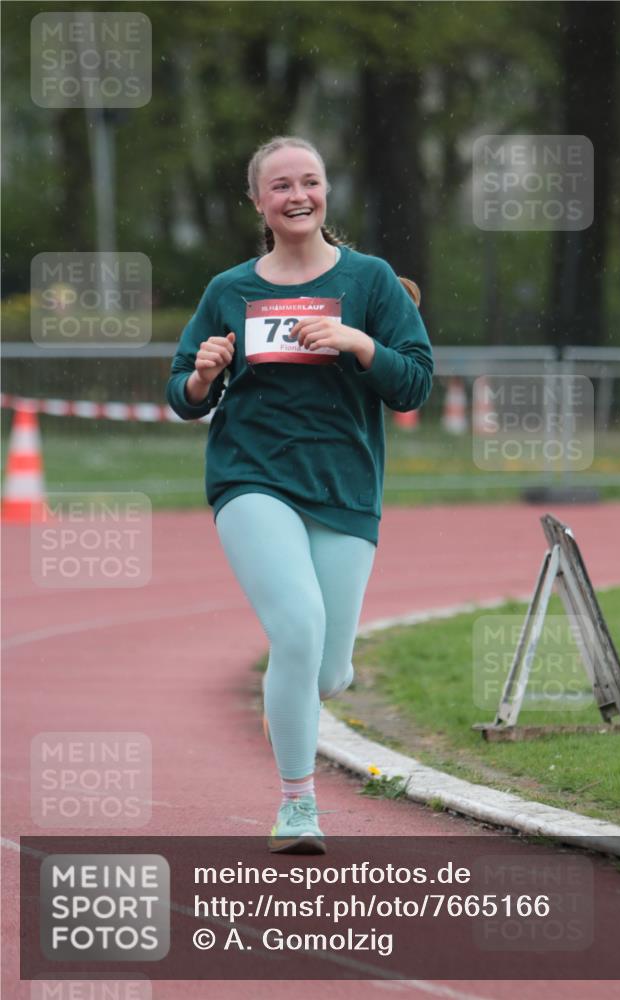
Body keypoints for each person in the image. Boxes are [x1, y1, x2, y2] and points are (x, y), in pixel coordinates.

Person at [166, 135, 433, 854]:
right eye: (280, 185)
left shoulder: (371, 282)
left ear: (325, 193)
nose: (296, 196)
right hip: (251, 475)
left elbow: (413, 382)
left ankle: (289, 706)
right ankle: (297, 806)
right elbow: (184, 395)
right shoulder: (230, 290)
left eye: (308, 182)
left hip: (343, 483)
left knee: (328, 672)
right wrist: (202, 373)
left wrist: (356, 342)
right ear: (258, 201)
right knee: (297, 627)